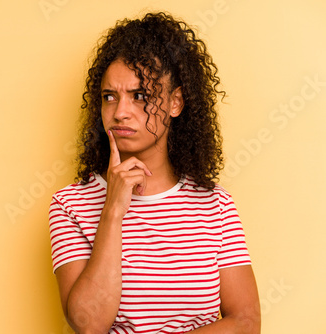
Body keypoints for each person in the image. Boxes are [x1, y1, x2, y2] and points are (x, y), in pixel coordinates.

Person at [48, 12, 260, 334]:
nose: (120, 113)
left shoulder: (216, 206)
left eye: (140, 96)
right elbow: (88, 325)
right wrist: (113, 210)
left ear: (175, 103)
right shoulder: (70, 205)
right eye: (109, 97)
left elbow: (246, 323)